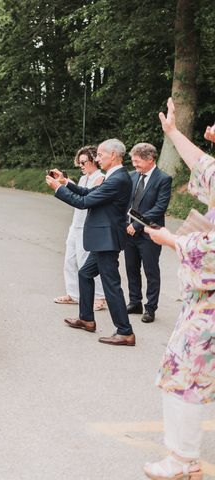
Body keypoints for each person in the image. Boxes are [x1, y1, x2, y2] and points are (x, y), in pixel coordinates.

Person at [140, 98, 215, 480]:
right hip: (202, 303)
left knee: (181, 375)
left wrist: (171, 240)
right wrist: (172, 132)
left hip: (210, 308)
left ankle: (183, 461)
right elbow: (203, 165)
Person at [46, 139, 135, 346]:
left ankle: (125, 332)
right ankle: (86, 319)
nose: (98, 158)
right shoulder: (114, 177)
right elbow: (88, 194)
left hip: (107, 240)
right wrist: (65, 183)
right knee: (84, 273)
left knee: (111, 285)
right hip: (102, 239)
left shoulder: (118, 179)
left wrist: (57, 189)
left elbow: (84, 203)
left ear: (113, 155)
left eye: (101, 155)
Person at [53, 146, 107, 311]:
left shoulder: (100, 178)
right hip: (75, 225)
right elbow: (79, 191)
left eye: (83, 162)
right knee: (70, 260)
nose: (81, 165)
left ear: (93, 160)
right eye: (79, 163)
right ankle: (73, 294)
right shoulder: (84, 178)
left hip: (88, 226)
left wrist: (60, 187)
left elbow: (86, 197)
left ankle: (99, 297)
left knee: (87, 263)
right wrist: (64, 182)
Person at [124, 143, 172, 324]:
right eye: (133, 161)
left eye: (137, 162)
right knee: (131, 269)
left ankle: (150, 308)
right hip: (129, 233)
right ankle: (135, 302)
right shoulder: (132, 176)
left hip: (150, 233)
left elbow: (159, 208)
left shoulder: (163, 179)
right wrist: (125, 224)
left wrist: (136, 225)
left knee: (151, 271)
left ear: (150, 159)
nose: (134, 165)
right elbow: (126, 203)